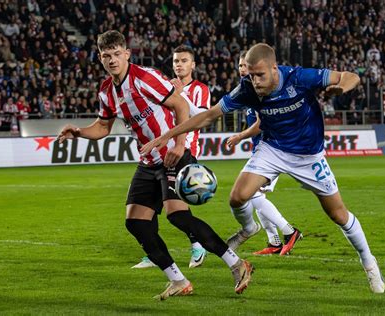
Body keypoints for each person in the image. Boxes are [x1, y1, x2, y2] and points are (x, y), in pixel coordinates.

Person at [140, 43, 385, 294]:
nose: (255, 81)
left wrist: (341, 87)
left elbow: (350, 76)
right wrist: (167, 135)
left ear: (274, 68)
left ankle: (368, 262)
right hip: (273, 149)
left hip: (309, 156)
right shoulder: (246, 88)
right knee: (237, 197)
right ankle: (249, 228)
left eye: (260, 75)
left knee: (338, 214)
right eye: (251, 75)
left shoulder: (298, 77)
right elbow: (209, 115)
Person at [57, 30, 253, 300]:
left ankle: (237, 264)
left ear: (126, 53)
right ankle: (178, 280)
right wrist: (78, 132)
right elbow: (103, 127)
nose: (112, 60)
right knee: (136, 222)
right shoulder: (106, 91)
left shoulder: (144, 77)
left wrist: (180, 144)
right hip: (148, 161)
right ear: (100, 58)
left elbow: (181, 106)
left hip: (173, 154)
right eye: (106, 56)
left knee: (178, 216)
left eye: (117, 54)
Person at [132, 45, 210, 269]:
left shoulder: (199, 89)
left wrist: (180, 94)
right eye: (176, 61)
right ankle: (154, 252)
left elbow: (202, 116)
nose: (179, 65)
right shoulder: (164, 85)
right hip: (161, 151)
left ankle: (198, 244)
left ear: (193, 65)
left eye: (184, 61)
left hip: (184, 149)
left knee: (178, 201)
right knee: (151, 201)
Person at [226, 51, 301, 256]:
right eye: (240, 66)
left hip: (274, 151)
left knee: (252, 195)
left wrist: (239, 136)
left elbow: (261, 124)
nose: (242, 70)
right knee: (255, 197)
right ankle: (274, 241)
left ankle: (289, 231)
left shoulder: (261, 90)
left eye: (245, 66)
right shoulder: (248, 89)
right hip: (262, 151)